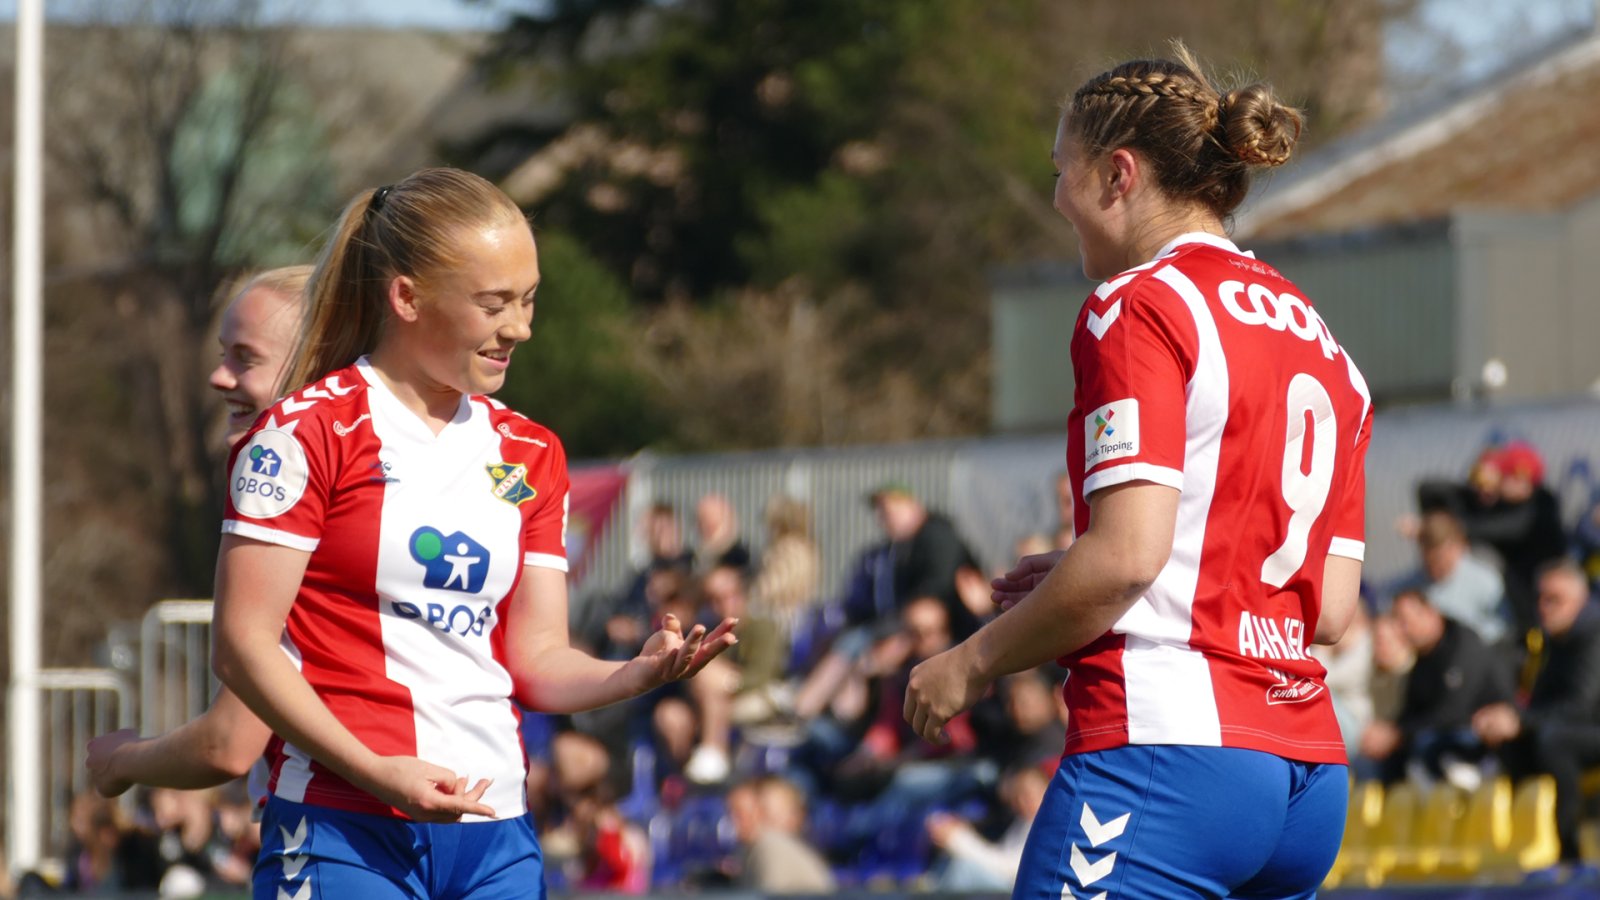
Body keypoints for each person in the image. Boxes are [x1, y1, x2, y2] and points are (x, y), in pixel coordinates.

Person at [903, 43, 1372, 898]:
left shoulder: (1137, 305)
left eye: (1062, 172)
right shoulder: (1327, 346)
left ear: (1119, 174)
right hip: (1306, 775)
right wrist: (1081, 575)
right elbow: (1329, 608)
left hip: (1170, 759)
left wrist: (969, 663)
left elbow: (1126, 558)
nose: (1057, 198)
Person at [208, 167, 738, 899]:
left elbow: (536, 658)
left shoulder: (532, 452)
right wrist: (374, 771)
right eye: (494, 303)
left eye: (528, 299)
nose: (520, 327)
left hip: (496, 833)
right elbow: (241, 647)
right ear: (406, 298)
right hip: (342, 825)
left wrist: (634, 674)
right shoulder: (302, 435)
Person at [86, 266, 312, 799]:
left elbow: (228, 742)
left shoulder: (288, 489)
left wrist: (120, 759)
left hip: (344, 829)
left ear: (315, 365)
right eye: (222, 354)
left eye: (245, 358)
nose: (219, 377)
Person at [1472, 560, 1600, 869]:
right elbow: (1541, 702)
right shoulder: (1555, 640)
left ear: (1580, 598)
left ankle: (1569, 849)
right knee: (1511, 742)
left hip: (1586, 728)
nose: (1544, 607)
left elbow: (1582, 706)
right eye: (1541, 598)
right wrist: (1507, 718)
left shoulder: (1593, 634)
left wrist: (1520, 721)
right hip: (1573, 727)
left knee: (1555, 741)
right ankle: (1525, 843)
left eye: (1555, 599)